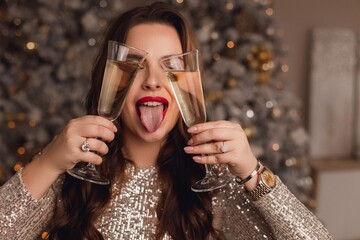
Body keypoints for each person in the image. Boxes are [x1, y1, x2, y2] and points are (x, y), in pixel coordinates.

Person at [0, 2, 332, 240]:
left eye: (171, 65)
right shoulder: (70, 173)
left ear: (189, 81)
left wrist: (252, 170)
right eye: (135, 64)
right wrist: (48, 161)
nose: (154, 80)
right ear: (111, 79)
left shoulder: (213, 185)